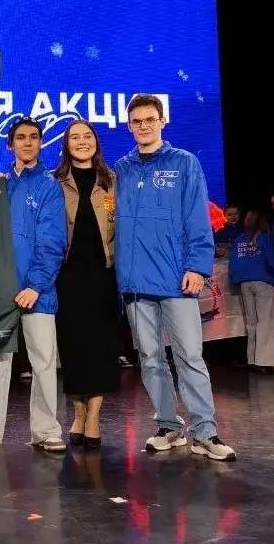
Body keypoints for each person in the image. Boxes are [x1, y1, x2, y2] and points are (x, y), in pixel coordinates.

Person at [114, 93, 236, 462]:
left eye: (149, 119)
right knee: (150, 359)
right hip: (136, 284)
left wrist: (197, 267)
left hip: (176, 281)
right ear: (129, 125)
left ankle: (206, 431)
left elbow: (197, 219)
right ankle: (169, 426)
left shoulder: (184, 163)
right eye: (137, 121)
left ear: (162, 121)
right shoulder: (121, 169)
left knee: (190, 357)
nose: (143, 126)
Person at [0, 116, 66, 453]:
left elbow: (52, 241)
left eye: (34, 137)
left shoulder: (49, 186)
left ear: (41, 143)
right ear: (10, 144)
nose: (28, 143)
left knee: (43, 363)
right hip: (1, 292)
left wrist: (35, 285)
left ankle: (46, 431)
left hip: (37, 292)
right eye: (21, 137)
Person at [52, 119, 120, 448]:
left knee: (100, 348)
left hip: (103, 275)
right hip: (67, 276)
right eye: (75, 137)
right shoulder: (54, 182)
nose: (82, 142)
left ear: (96, 141)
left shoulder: (112, 181)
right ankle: (78, 414)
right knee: (73, 348)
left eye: (87, 136)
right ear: (66, 145)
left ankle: (93, 417)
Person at [229, 209, 274, 371]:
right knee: (266, 321)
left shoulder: (239, 239)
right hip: (263, 282)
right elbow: (273, 260)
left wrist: (236, 281)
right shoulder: (264, 237)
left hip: (245, 283)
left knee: (251, 322)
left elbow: (233, 261)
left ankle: (251, 359)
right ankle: (264, 362)